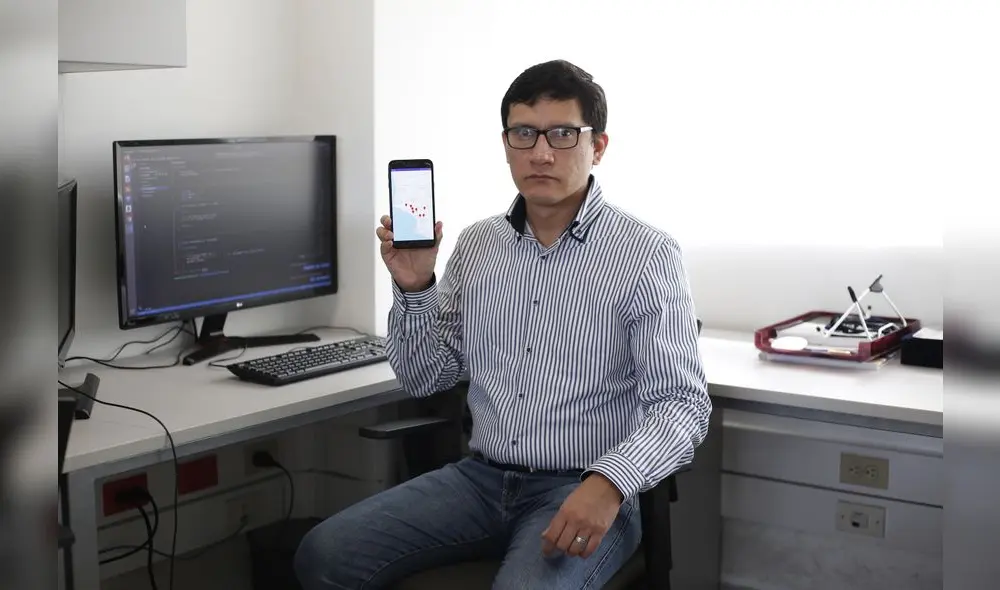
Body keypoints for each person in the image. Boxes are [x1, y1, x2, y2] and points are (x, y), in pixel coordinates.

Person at [294, 59, 711, 590]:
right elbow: (428, 380)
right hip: (480, 481)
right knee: (324, 555)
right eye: (523, 134)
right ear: (506, 142)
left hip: (583, 487)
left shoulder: (646, 253)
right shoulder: (478, 245)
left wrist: (609, 484)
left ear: (598, 146)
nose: (540, 152)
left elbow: (682, 404)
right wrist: (416, 287)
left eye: (563, 134)